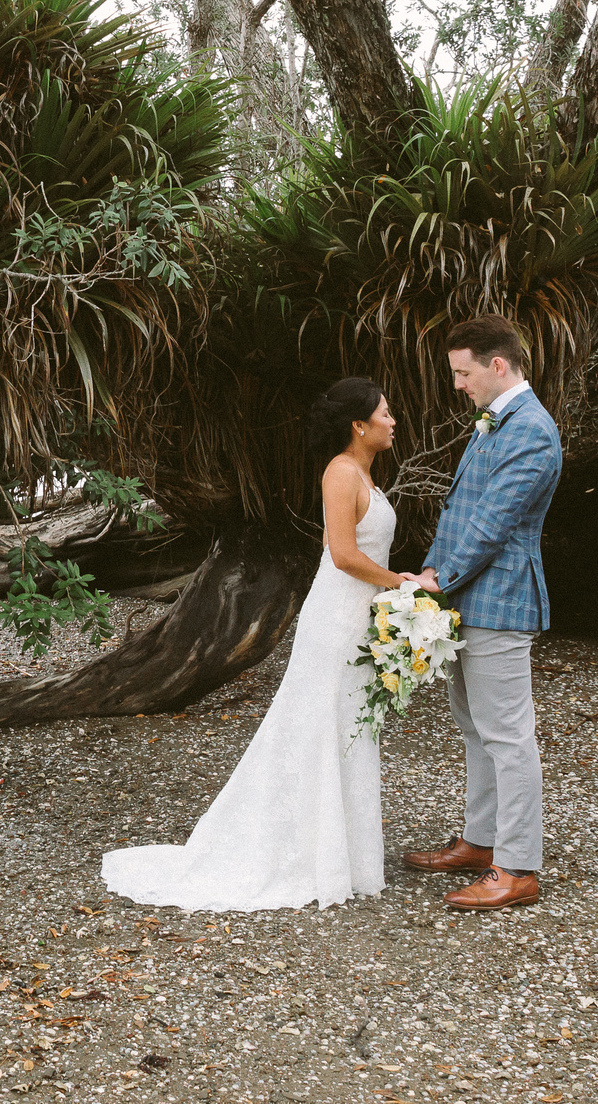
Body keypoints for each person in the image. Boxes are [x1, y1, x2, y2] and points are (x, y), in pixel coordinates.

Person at [101, 376, 418, 911]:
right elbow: (340, 555)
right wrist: (403, 584)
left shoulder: (362, 472)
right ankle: (295, 853)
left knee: (348, 726)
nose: (393, 421)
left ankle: (341, 853)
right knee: (317, 725)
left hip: (355, 615)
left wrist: (390, 592)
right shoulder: (342, 473)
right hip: (336, 619)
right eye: (385, 413)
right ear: (358, 425)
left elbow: (341, 548)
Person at [404, 315, 562, 912]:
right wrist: (428, 578)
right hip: (466, 597)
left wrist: (436, 581)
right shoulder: (497, 423)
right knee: (476, 727)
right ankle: (480, 840)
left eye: (462, 372)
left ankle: (517, 867)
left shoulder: (533, 432)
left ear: (498, 366)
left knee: (508, 735)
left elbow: (493, 524)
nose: (458, 384)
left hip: (500, 599)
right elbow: (458, 514)